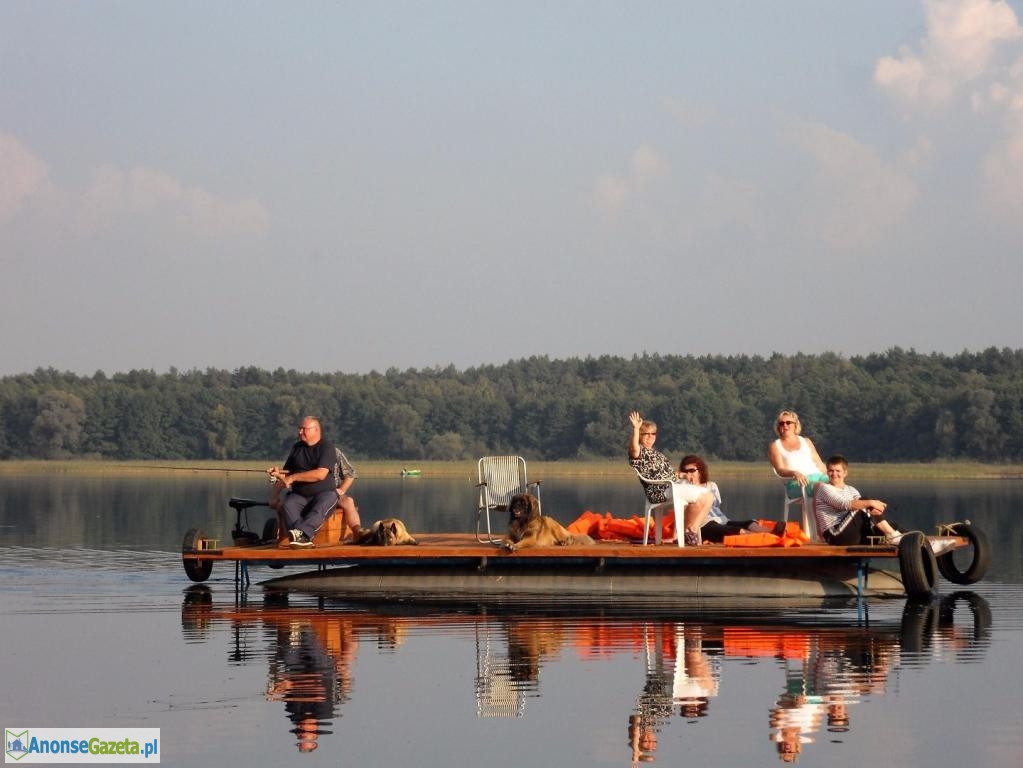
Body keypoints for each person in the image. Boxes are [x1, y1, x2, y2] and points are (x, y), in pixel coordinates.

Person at [628, 411, 713, 546]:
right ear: (640, 436)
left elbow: (670, 475)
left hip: (672, 486)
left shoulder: (659, 455)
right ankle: (686, 533)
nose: (650, 437)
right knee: (701, 497)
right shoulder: (640, 452)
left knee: (709, 496)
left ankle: (690, 530)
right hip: (658, 491)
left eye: (653, 434)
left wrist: (683, 475)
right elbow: (634, 449)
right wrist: (636, 429)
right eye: (646, 434)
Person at [267, 417, 338, 548]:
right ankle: (302, 538)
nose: (300, 432)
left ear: (316, 430)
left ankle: (302, 534)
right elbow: (287, 473)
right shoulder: (297, 447)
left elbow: (320, 474)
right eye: (299, 429)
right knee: (288, 504)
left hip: (323, 494)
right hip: (299, 495)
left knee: (325, 502)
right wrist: (275, 490)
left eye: (303, 429)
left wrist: (293, 478)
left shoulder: (326, 447)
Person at [677, 455, 782, 543]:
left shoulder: (711, 485)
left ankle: (771, 532)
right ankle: (762, 539)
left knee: (748, 523)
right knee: (733, 530)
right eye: (685, 472)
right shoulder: (684, 487)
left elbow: (715, 506)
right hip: (703, 524)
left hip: (721, 520)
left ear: (700, 471)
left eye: (692, 471)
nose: (689, 475)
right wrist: (682, 477)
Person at [812, 455, 900, 545]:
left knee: (892, 525)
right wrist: (872, 502)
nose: (834, 474)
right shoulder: (824, 488)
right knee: (865, 502)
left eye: (838, 471)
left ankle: (903, 537)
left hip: (852, 533)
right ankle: (892, 535)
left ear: (845, 473)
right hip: (835, 535)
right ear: (827, 472)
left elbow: (865, 509)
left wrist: (873, 510)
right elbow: (843, 504)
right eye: (831, 471)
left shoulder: (851, 489)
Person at [768, 410, 827, 497]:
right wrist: (794, 473)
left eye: (788, 422)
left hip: (818, 477)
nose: (785, 425)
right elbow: (780, 470)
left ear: (795, 425)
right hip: (797, 483)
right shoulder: (775, 445)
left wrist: (833, 473)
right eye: (781, 423)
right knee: (821, 487)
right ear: (778, 427)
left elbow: (820, 464)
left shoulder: (806, 441)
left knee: (836, 484)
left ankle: (846, 508)